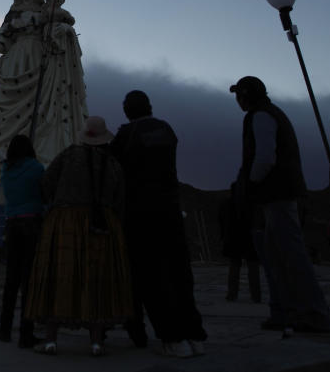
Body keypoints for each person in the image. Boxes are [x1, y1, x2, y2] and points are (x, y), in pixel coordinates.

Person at [230, 76, 330, 334]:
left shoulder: (261, 116)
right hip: (276, 195)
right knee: (277, 257)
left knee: (291, 255)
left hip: (277, 196)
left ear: (246, 95)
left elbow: (265, 156)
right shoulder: (268, 113)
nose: (237, 101)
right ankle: (286, 312)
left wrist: (251, 184)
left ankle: (313, 313)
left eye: (239, 95)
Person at [25, 116, 131, 357]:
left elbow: (47, 182)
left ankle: (51, 340)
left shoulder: (69, 155)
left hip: (65, 223)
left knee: (59, 277)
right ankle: (96, 342)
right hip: (102, 224)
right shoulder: (112, 163)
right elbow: (120, 197)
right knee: (97, 280)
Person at [111, 91, 206, 358]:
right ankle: (195, 335)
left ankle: (172, 337)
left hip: (141, 213)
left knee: (152, 277)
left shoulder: (127, 134)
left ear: (127, 110)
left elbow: (115, 163)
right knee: (180, 275)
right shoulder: (166, 129)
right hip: (171, 209)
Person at [0, 0, 88, 178]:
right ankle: (3, 156)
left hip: (39, 62)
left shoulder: (45, 11)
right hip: (13, 64)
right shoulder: (13, 15)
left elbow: (60, 25)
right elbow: (2, 41)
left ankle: (42, 152)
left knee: (42, 109)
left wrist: (61, 28)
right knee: (6, 114)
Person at [0, 134, 45, 348]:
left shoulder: (6, 171)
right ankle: (26, 333)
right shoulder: (36, 168)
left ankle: (4, 329)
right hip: (32, 223)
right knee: (29, 281)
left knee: (11, 281)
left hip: (11, 225)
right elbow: (44, 192)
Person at [219, 181, 261, 303]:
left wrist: (223, 236)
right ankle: (256, 296)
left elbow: (222, 221)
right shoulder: (253, 203)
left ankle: (232, 295)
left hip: (233, 239)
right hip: (249, 239)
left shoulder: (226, 204)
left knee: (234, 268)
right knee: (253, 269)